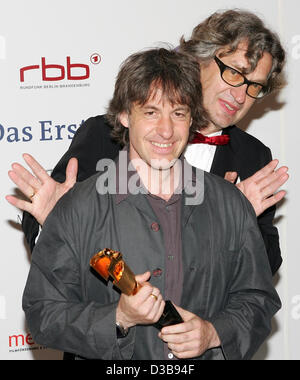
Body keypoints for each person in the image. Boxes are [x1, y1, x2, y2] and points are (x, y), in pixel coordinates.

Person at [22, 47, 281, 360]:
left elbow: (258, 299)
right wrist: (119, 318)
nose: (166, 130)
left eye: (178, 113)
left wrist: (214, 333)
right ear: (123, 115)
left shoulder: (231, 204)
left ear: (192, 120)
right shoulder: (77, 208)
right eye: (150, 112)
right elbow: (43, 315)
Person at [6, 9, 288, 276]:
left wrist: (240, 223)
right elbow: (49, 230)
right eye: (235, 73)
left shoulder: (253, 157)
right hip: (111, 318)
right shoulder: (106, 134)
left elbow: (265, 269)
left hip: (200, 323)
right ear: (199, 60)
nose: (241, 96)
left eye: (255, 86)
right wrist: (57, 222)